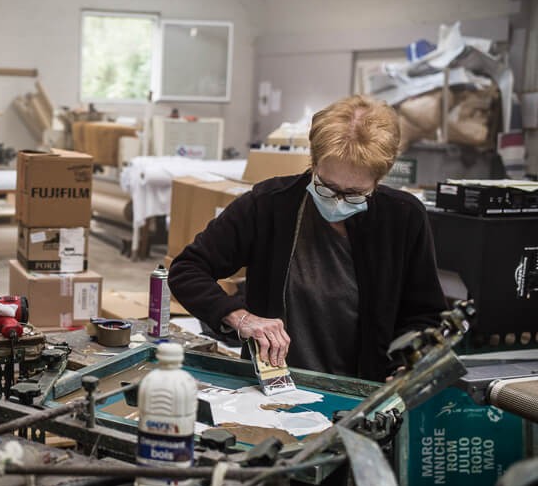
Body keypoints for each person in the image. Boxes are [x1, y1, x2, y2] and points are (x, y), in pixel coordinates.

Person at [169, 95, 446, 382]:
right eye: (327, 187)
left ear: (379, 180)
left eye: (353, 193)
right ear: (313, 163)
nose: (338, 202)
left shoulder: (402, 217)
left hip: (363, 392)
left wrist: (407, 365)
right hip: (271, 388)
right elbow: (187, 269)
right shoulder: (269, 205)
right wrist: (240, 318)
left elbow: (424, 314)